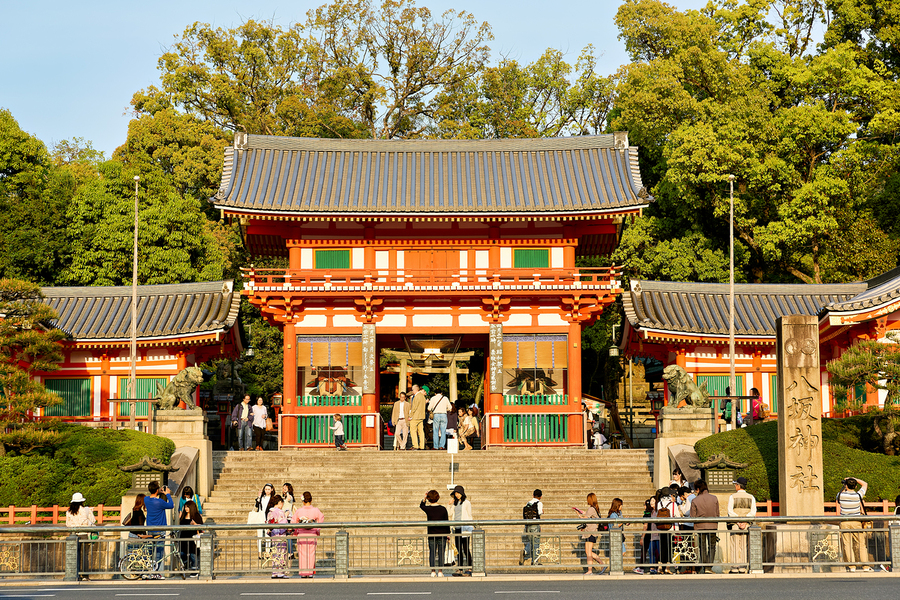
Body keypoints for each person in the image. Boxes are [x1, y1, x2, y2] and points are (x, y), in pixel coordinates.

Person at [837, 477, 872, 572]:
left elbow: (838, 499)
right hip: (856, 521)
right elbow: (865, 484)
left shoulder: (840, 495)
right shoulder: (858, 495)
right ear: (856, 486)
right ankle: (865, 566)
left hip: (844, 522)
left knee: (847, 544)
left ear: (846, 485)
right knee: (861, 544)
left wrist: (845, 485)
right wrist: (854, 479)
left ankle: (852, 566)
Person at [726, 477, 756, 573]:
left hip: (735, 523)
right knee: (744, 545)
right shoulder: (751, 497)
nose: (735, 486)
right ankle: (743, 567)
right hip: (746, 524)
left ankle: (734, 567)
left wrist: (738, 521)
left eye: (735, 484)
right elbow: (753, 512)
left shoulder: (732, 497)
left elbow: (730, 511)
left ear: (738, 485)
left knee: (734, 545)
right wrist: (745, 521)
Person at [144, 481, 173, 579]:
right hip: (160, 529)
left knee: (150, 551)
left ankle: (149, 571)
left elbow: (150, 496)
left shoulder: (146, 500)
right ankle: (156, 572)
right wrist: (167, 494)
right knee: (159, 552)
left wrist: (158, 492)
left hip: (150, 529)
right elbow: (171, 505)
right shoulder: (160, 502)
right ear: (157, 490)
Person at [292, 491, 324, 578]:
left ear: (303, 501)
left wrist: (296, 530)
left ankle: (303, 572)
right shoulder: (316, 510)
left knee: (302, 553)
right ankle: (309, 572)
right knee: (311, 553)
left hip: (302, 534)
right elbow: (321, 518)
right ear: (311, 500)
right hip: (312, 534)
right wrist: (317, 529)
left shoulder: (299, 511)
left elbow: (293, 522)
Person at [690, 479, 720, 574]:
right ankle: (709, 567)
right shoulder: (714, 498)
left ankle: (704, 566)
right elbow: (717, 514)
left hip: (700, 526)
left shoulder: (695, 500)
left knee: (702, 546)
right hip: (712, 525)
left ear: (698, 489)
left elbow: (692, 516)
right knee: (712, 546)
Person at [65, 492, 96, 581]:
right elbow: (92, 521)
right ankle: (85, 575)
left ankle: (74, 574)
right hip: (84, 535)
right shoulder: (85, 510)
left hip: (73, 535)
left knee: (74, 555)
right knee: (84, 555)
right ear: (82, 501)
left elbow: (68, 524)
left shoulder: (69, 512)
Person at [420, 490, 450, 577]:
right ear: (438, 497)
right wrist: (448, 533)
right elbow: (446, 521)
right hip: (442, 534)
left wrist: (424, 497)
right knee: (441, 553)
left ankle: (433, 571)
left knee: (432, 553)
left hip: (432, 534)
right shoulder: (443, 509)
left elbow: (421, 505)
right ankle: (440, 571)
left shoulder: (428, 509)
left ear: (429, 499)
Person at [448, 485, 473, 576]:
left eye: (458, 493)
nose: (457, 495)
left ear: (462, 493)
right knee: (458, 550)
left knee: (466, 549)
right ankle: (460, 568)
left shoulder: (466, 503)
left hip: (465, 529)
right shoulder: (455, 503)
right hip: (457, 528)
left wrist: (470, 527)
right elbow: (450, 514)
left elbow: (469, 515)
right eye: (456, 493)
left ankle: (470, 567)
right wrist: (449, 504)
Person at [577, 493, 605, 575]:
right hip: (591, 531)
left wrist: (578, 515)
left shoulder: (591, 508)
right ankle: (601, 564)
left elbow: (584, 518)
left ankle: (591, 570)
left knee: (588, 552)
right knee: (588, 551)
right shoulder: (594, 508)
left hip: (590, 532)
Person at [266, 495, 290, 579]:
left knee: (275, 553)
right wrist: (286, 516)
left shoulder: (270, 512)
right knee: (282, 552)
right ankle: (281, 571)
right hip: (280, 535)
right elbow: (284, 524)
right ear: (279, 503)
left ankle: (274, 572)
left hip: (273, 535)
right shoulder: (280, 512)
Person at [177, 500, 203, 576]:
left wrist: (195, 524)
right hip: (184, 537)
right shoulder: (183, 515)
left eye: (187, 507)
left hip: (193, 538)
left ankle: (194, 570)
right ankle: (186, 564)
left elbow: (201, 527)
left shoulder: (196, 515)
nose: (186, 508)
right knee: (182, 553)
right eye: (185, 507)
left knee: (193, 554)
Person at [520, 489, 543, 566]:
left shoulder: (528, 503)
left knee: (531, 541)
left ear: (533, 495)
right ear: (541, 497)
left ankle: (525, 551)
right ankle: (535, 561)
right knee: (536, 542)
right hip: (535, 525)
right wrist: (542, 511)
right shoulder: (539, 503)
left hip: (527, 525)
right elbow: (539, 512)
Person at [255, 483, 277, 556]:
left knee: (268, 535)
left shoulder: (273, 498)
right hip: (260, 517)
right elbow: (256, 506)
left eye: (268, 489)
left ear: (271, 490)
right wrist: (258, 497)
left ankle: (267, 551)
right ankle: (259, 552)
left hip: (268, 518)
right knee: (259, 535)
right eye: (266, 489)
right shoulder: (262, 497)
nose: (267, 491)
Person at [633, 497, 653, 574]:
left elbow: (645, 526)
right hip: (653, 533)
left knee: (643, 551)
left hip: (647, 535)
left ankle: (641, 567)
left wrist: (642, 537)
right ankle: (654, 566)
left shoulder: (646, 515)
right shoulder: (652, 513)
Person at [409, 384, 428, 450]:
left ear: (416, 390)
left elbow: (414, 407)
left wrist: (410, 416)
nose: (412, 391)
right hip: (421, 416)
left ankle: (415, 445)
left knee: (413, 431)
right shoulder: (423, 397)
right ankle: (422, 446)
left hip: (415, 417)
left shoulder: (417, 396)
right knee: (421, 432)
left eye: (413, 390)